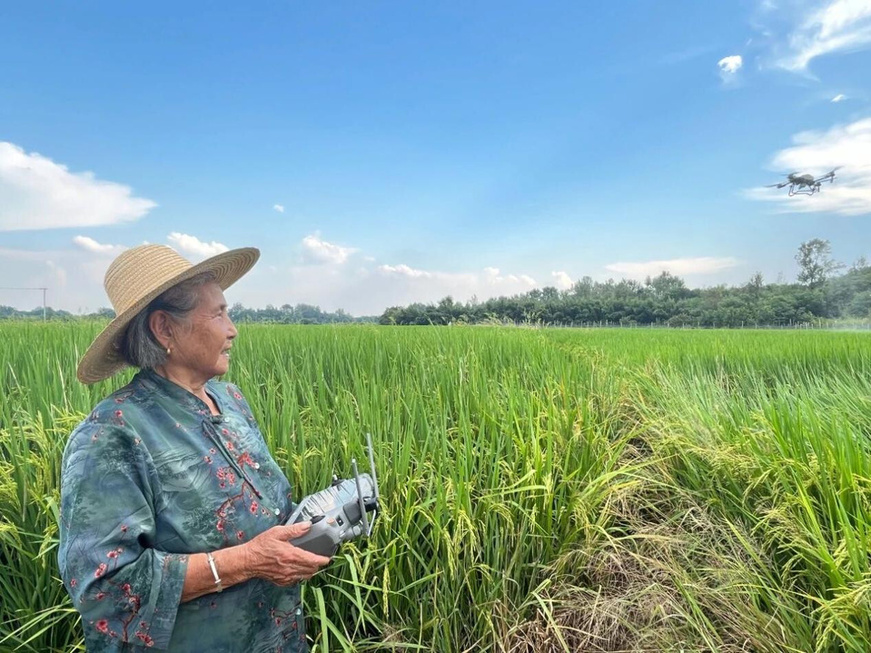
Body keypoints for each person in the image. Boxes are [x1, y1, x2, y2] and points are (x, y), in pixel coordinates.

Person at [58, 244, 331, 652]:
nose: (232, 329)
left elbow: (263, 511)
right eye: (219, 314)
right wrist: (248, 561)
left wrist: (316, 526)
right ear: (165, 329)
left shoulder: (231, 401)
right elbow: (102, 588)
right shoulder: (113, 433)